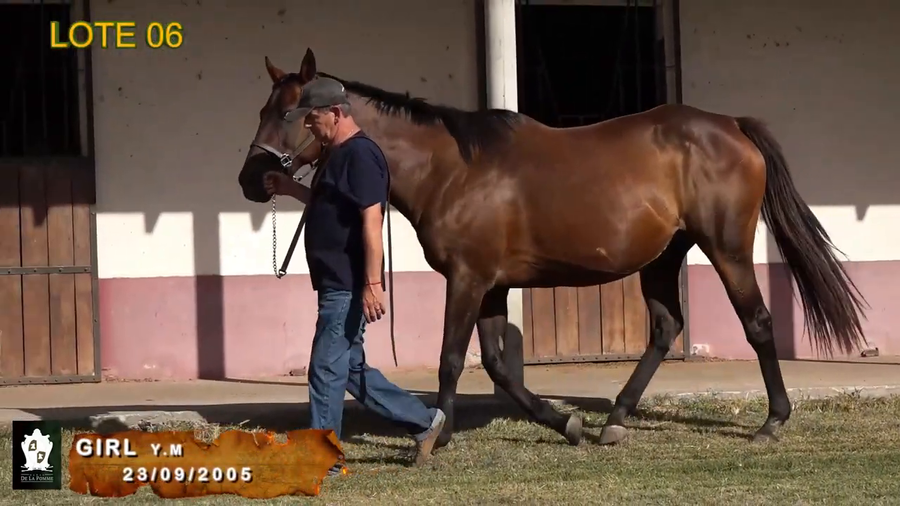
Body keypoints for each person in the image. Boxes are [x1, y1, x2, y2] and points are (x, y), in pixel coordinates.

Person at [263, 77, 445, 473]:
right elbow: (329, 205)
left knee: (326, 369)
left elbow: (371, 223)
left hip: (347, 284)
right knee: (351, 370)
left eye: (312, 119)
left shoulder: (361, 156)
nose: (308, 127)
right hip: (335, 281)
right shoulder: (336, 155)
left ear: (335, 113)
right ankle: (425, 421)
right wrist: (290, 187)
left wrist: (372, 284)